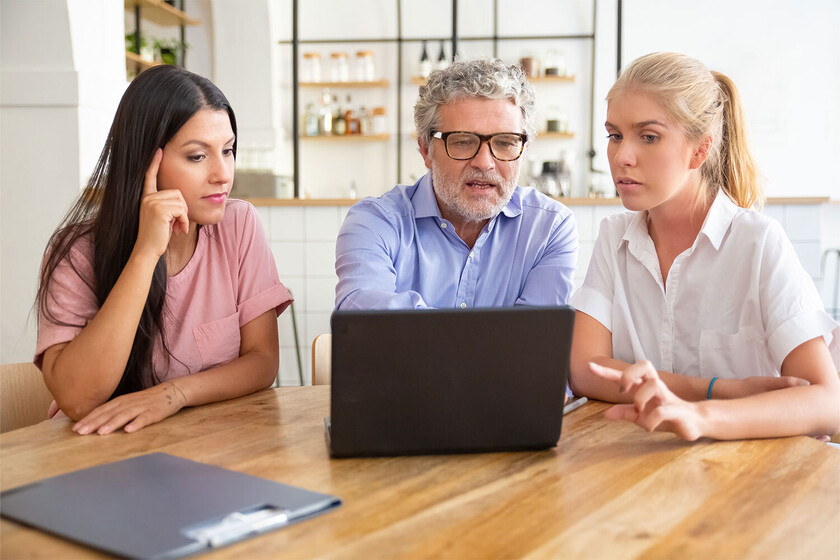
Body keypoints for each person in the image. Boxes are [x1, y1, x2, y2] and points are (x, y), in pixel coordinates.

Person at [569, 52, 840, 441]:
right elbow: (585, 370)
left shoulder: (758, 242)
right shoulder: (614, 238)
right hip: (647, 465)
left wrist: (702, 416)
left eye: (648, 136)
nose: (622, 157)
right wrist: (717, 390)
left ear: (699, 150)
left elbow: (828, 404)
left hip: (753, 469)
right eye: (615, 135)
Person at [35, 65, 292, 435]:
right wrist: (145, 253)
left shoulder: (239, 226)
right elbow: (77, 400)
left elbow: (263, 361)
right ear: (144, 160)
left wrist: (173, 395)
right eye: (197, 156)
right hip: (100, 449)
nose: (223, 174)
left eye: (228, 150)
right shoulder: (75, 253)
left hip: (208, 441)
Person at [335, 57, 578, 310]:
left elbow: (539, 333)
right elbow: (365, 321)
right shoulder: (376, 223)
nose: (484, 163)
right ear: (426, 150)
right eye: (463, 141)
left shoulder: (549, 228)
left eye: (505, 142)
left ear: (523, 151)